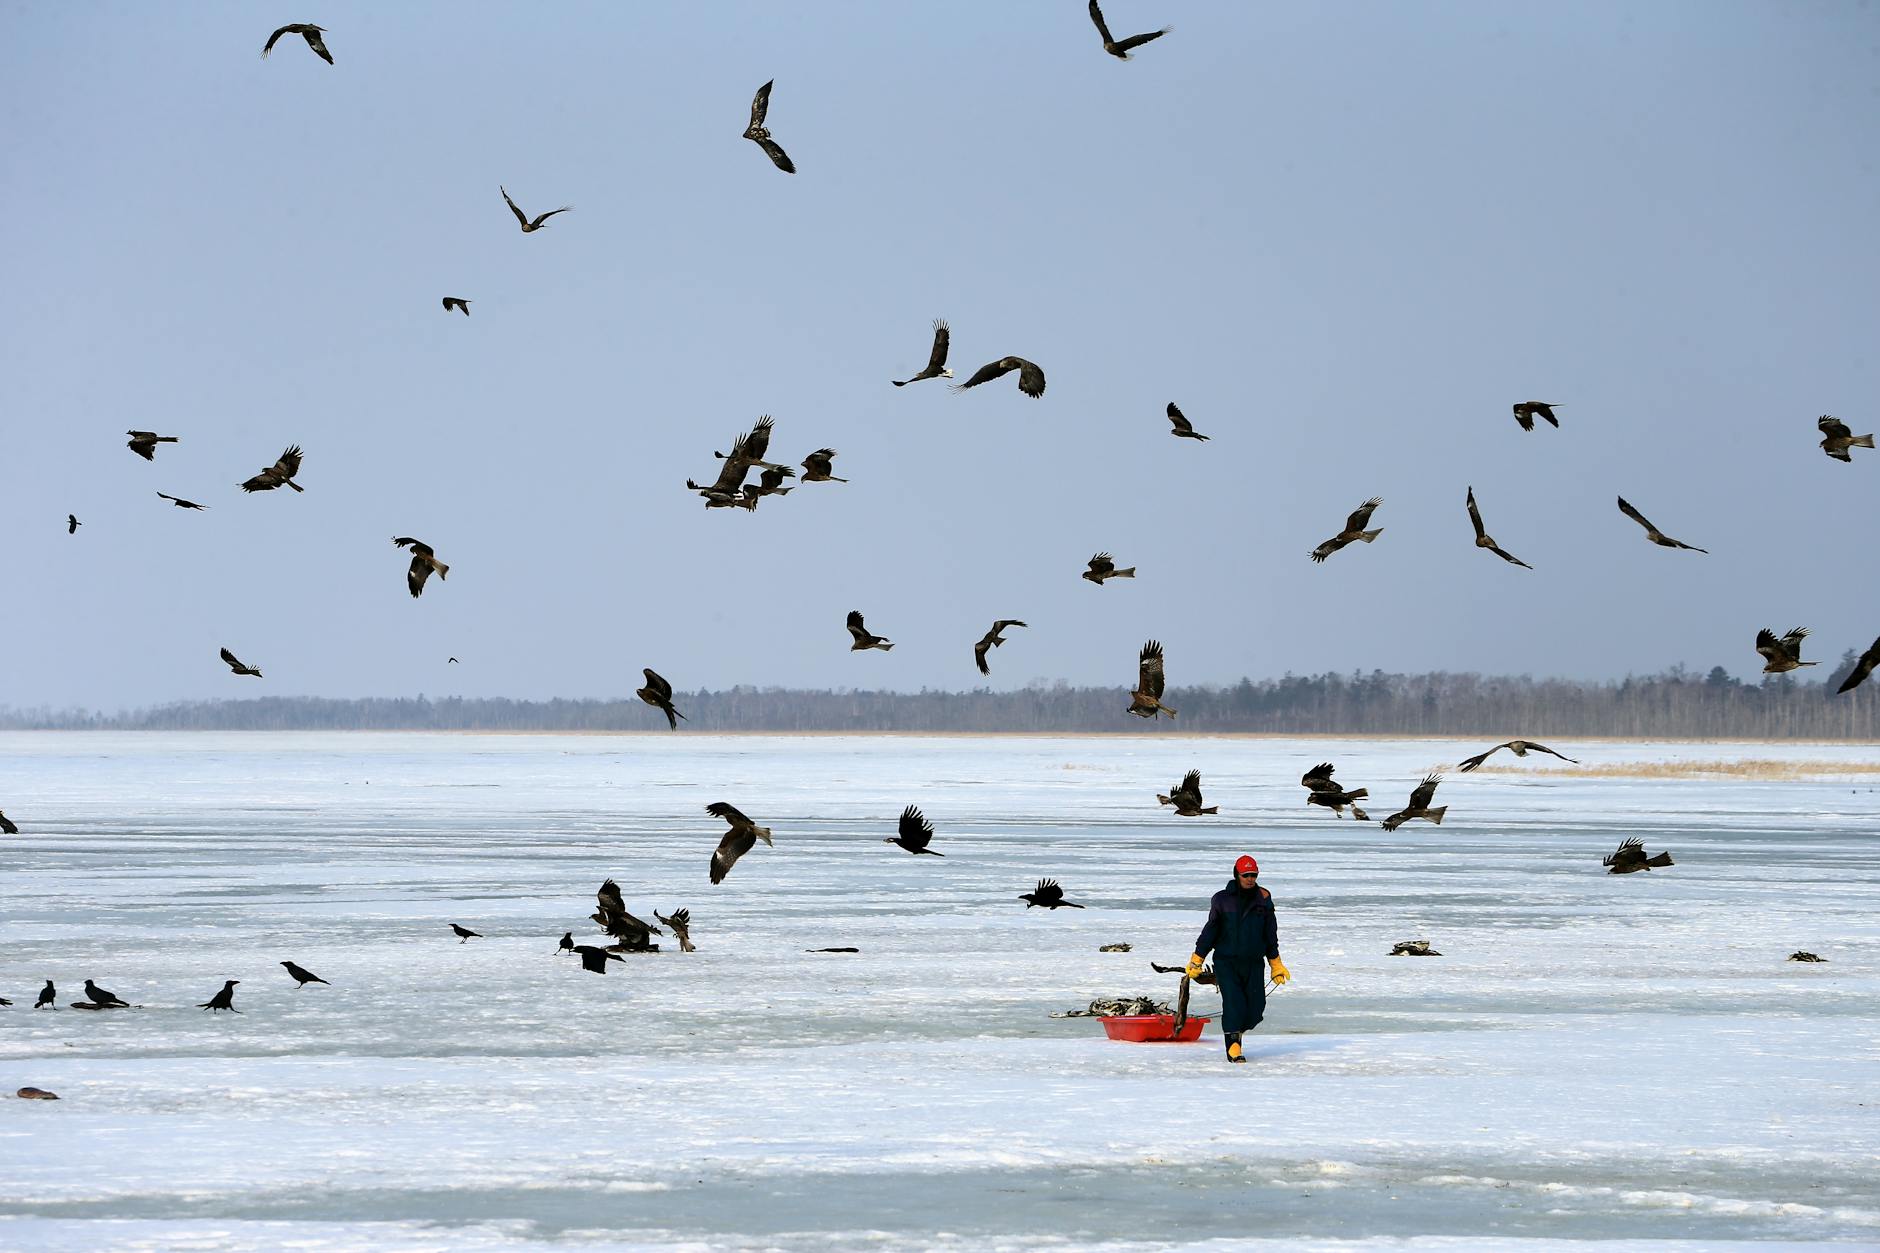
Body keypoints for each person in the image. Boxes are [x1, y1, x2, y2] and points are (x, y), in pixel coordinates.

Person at [1185, 854, 1290, 1062]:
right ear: (1237, 874)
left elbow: (1270, 934)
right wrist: (1197, 958)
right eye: (1246, 875)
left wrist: (1275, 963)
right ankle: (1233, 1046)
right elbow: (1210, 932)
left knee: (1256, 1008)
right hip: (1227, 962)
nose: (1250, 879)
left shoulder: (1264, 898)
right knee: (1234, 1003)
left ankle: (1236, 1031)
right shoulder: (1222, 900)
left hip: (1253, 962)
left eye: (1254, 875)